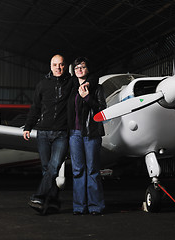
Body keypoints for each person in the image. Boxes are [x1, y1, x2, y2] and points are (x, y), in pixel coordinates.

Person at [23, 54, 72, 215]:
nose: (58, 67)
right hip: (43, 133)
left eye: (61, 65)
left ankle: (39, 197)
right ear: (50, 66)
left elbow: (90, 79)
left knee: (54, 167)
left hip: (61, 133)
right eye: (55, 65)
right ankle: (53, 202)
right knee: (46, 170)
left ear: (65, 66)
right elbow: (36, 107)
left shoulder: (71, 83)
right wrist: (28, 127)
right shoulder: (42, 84)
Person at [67, 57, 106, 215]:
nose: (80, 70)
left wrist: (87, 98)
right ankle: (79, 207)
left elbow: (102, 110)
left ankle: (95, 206)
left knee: (93, 171)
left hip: (91, 133)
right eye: (77, 68)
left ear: (87, 69)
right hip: (74, 134)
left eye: (82, 67)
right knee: (77, 171)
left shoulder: (97, 88)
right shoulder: (71, 88)